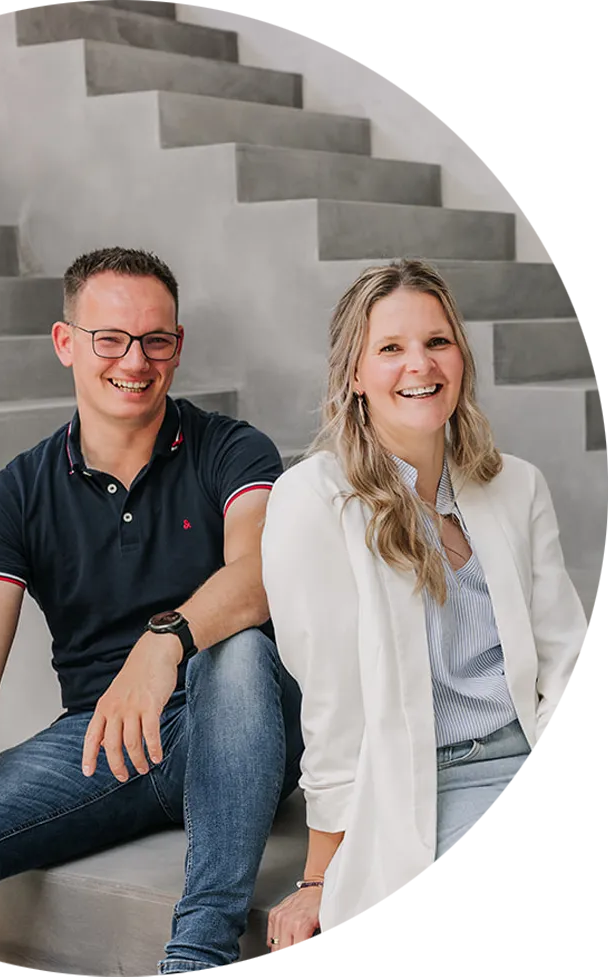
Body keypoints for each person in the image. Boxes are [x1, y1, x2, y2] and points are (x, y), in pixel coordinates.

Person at [0, 246, 304, 976]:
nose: (135, 360)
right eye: (111, 339)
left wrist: (163, 643)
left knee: (243, 650)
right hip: (108, 742)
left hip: (243, 724)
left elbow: (258, 573)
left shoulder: (231, 449)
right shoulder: (15, 495)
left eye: (155, 340)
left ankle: (195, 959)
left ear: (178, 346)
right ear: (66, 342)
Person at [260, 258, 586, 952]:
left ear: (461, 356)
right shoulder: (313, 500)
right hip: (431, 786)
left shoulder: (516, 486)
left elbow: (565, 660)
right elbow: (332, 701)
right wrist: (321, 874)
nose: (421, 363)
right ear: (354, 375)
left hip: (533, 753)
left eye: (438, 341)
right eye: (390, 347)